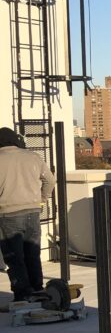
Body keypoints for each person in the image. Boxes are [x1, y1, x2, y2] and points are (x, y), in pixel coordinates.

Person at [0, 127, 56, 301]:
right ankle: (37, 289)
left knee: (14, 258)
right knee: (32, 253)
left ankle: (23, 294)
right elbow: (50, 180)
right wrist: (41, 199)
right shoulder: (32, 156)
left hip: (8, 213)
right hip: (33, 212)